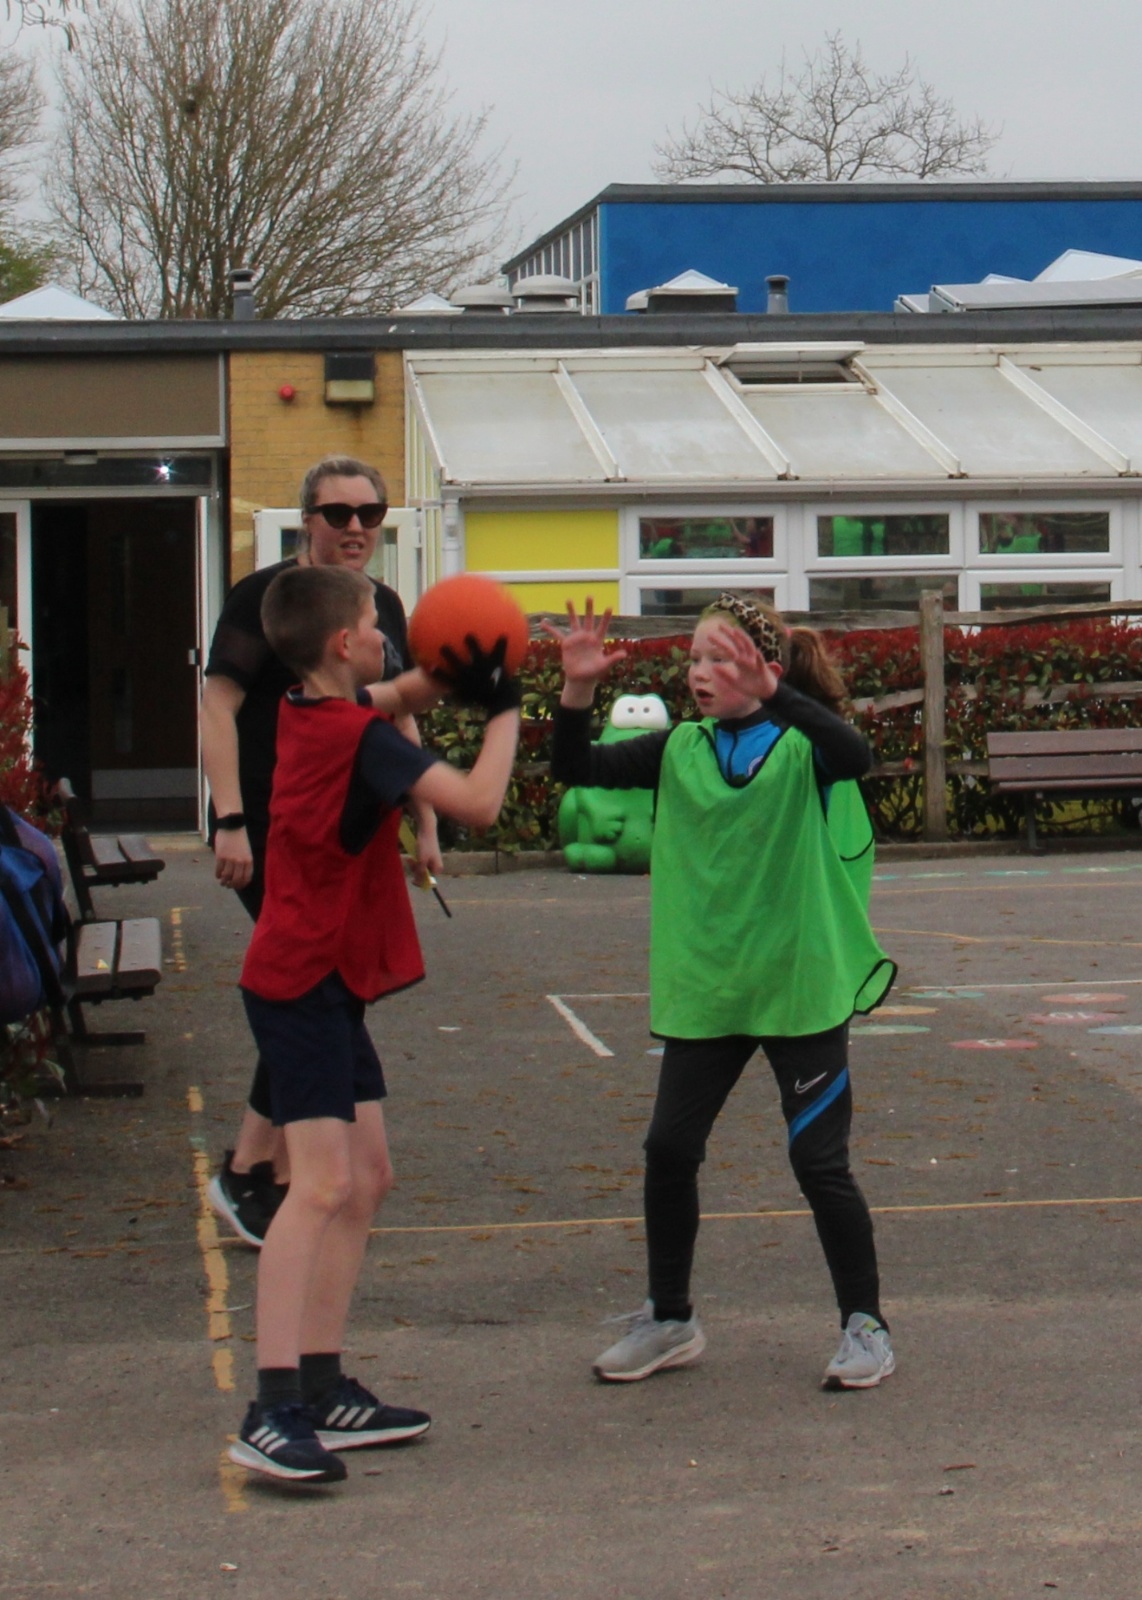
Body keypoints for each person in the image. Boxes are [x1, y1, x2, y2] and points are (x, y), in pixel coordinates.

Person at [546, 593, 897, 1390]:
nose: (700, 673)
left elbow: (855, 755)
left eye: (719, 659)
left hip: (798, 983)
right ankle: (670, 1318)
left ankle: (866, 1325)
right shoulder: (680, 747)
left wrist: (778, 696)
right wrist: (576, 689)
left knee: (819, 1161)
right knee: (669, 1149)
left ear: (764, 668)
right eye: (694, 659)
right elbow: (575, 770)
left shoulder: (803, 748)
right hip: (711, 987)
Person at [228, 564, 520, 1483]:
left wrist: (460, 670)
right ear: (342, 644)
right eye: (372, 624)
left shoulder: (307, 707)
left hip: (323, 979)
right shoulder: (357, 739)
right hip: (298, 983)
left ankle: (320, 1385)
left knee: (368, 1179)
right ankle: (271, 1408)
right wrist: (506, 707)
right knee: (318, 1187)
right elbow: (480, 803)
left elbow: (402, 692)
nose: (386, 636)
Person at [201, 456, 440, 1246]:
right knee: (313, 983)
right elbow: (218, 704)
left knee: (336, 986)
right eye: (338, 514)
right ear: (307, 520)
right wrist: (230, 818)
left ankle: (266, 1167)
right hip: (277, 825)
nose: (355, 528)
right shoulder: (270, 598)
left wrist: (424, 819)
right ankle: (254, 1168)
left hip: (350, 833)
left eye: (370, 515)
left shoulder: (382, 607)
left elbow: (396, 710)